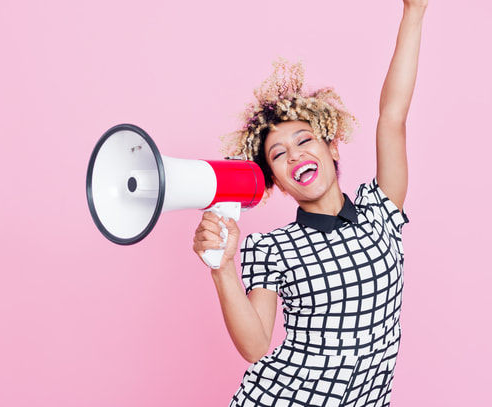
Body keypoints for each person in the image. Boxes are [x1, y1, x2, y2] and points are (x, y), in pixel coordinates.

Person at [193, 1, 426, 405]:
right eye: (279, 154)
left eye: (304, 141)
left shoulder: (381, 211)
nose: (296, 155)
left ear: (332, 146)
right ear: (278, 182)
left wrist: (414, 11)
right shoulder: (271, 248)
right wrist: (222, 268)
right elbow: (255, 347)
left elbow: (392, 117)